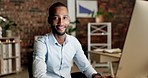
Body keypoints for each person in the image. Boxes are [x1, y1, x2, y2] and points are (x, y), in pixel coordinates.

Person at [32, 2, 111, 78]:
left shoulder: (73, 42)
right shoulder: (41, 43)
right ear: (49, 20)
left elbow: (85, 67)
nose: (61, 22)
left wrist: (96, 76)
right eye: (56, 18)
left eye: (64, 17)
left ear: (69, 19)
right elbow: (39, 75)